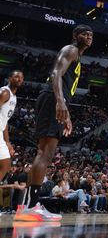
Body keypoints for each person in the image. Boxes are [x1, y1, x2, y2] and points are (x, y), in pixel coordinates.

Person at [15, 25, 92, 222]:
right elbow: (56, 73)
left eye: (90, 34)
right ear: (75, 36)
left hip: (52, 98)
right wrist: (60, 101)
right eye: (84, 33)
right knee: (46, 153)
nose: (88, 37)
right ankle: (32, 207)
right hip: (52, 97)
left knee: (43, 152)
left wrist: (66, 114)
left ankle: (27, 206)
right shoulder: (71, 49)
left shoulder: (76, 55)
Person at [0, 70, 23, 182]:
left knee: (6, 164)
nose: (19, 79)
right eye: (16, 77)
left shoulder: (14, 97)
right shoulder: (5, 92)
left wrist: (7, 142)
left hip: (1, 130)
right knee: (5, 164)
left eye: (21, 78)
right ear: (9, 78)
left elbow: (5, 120)